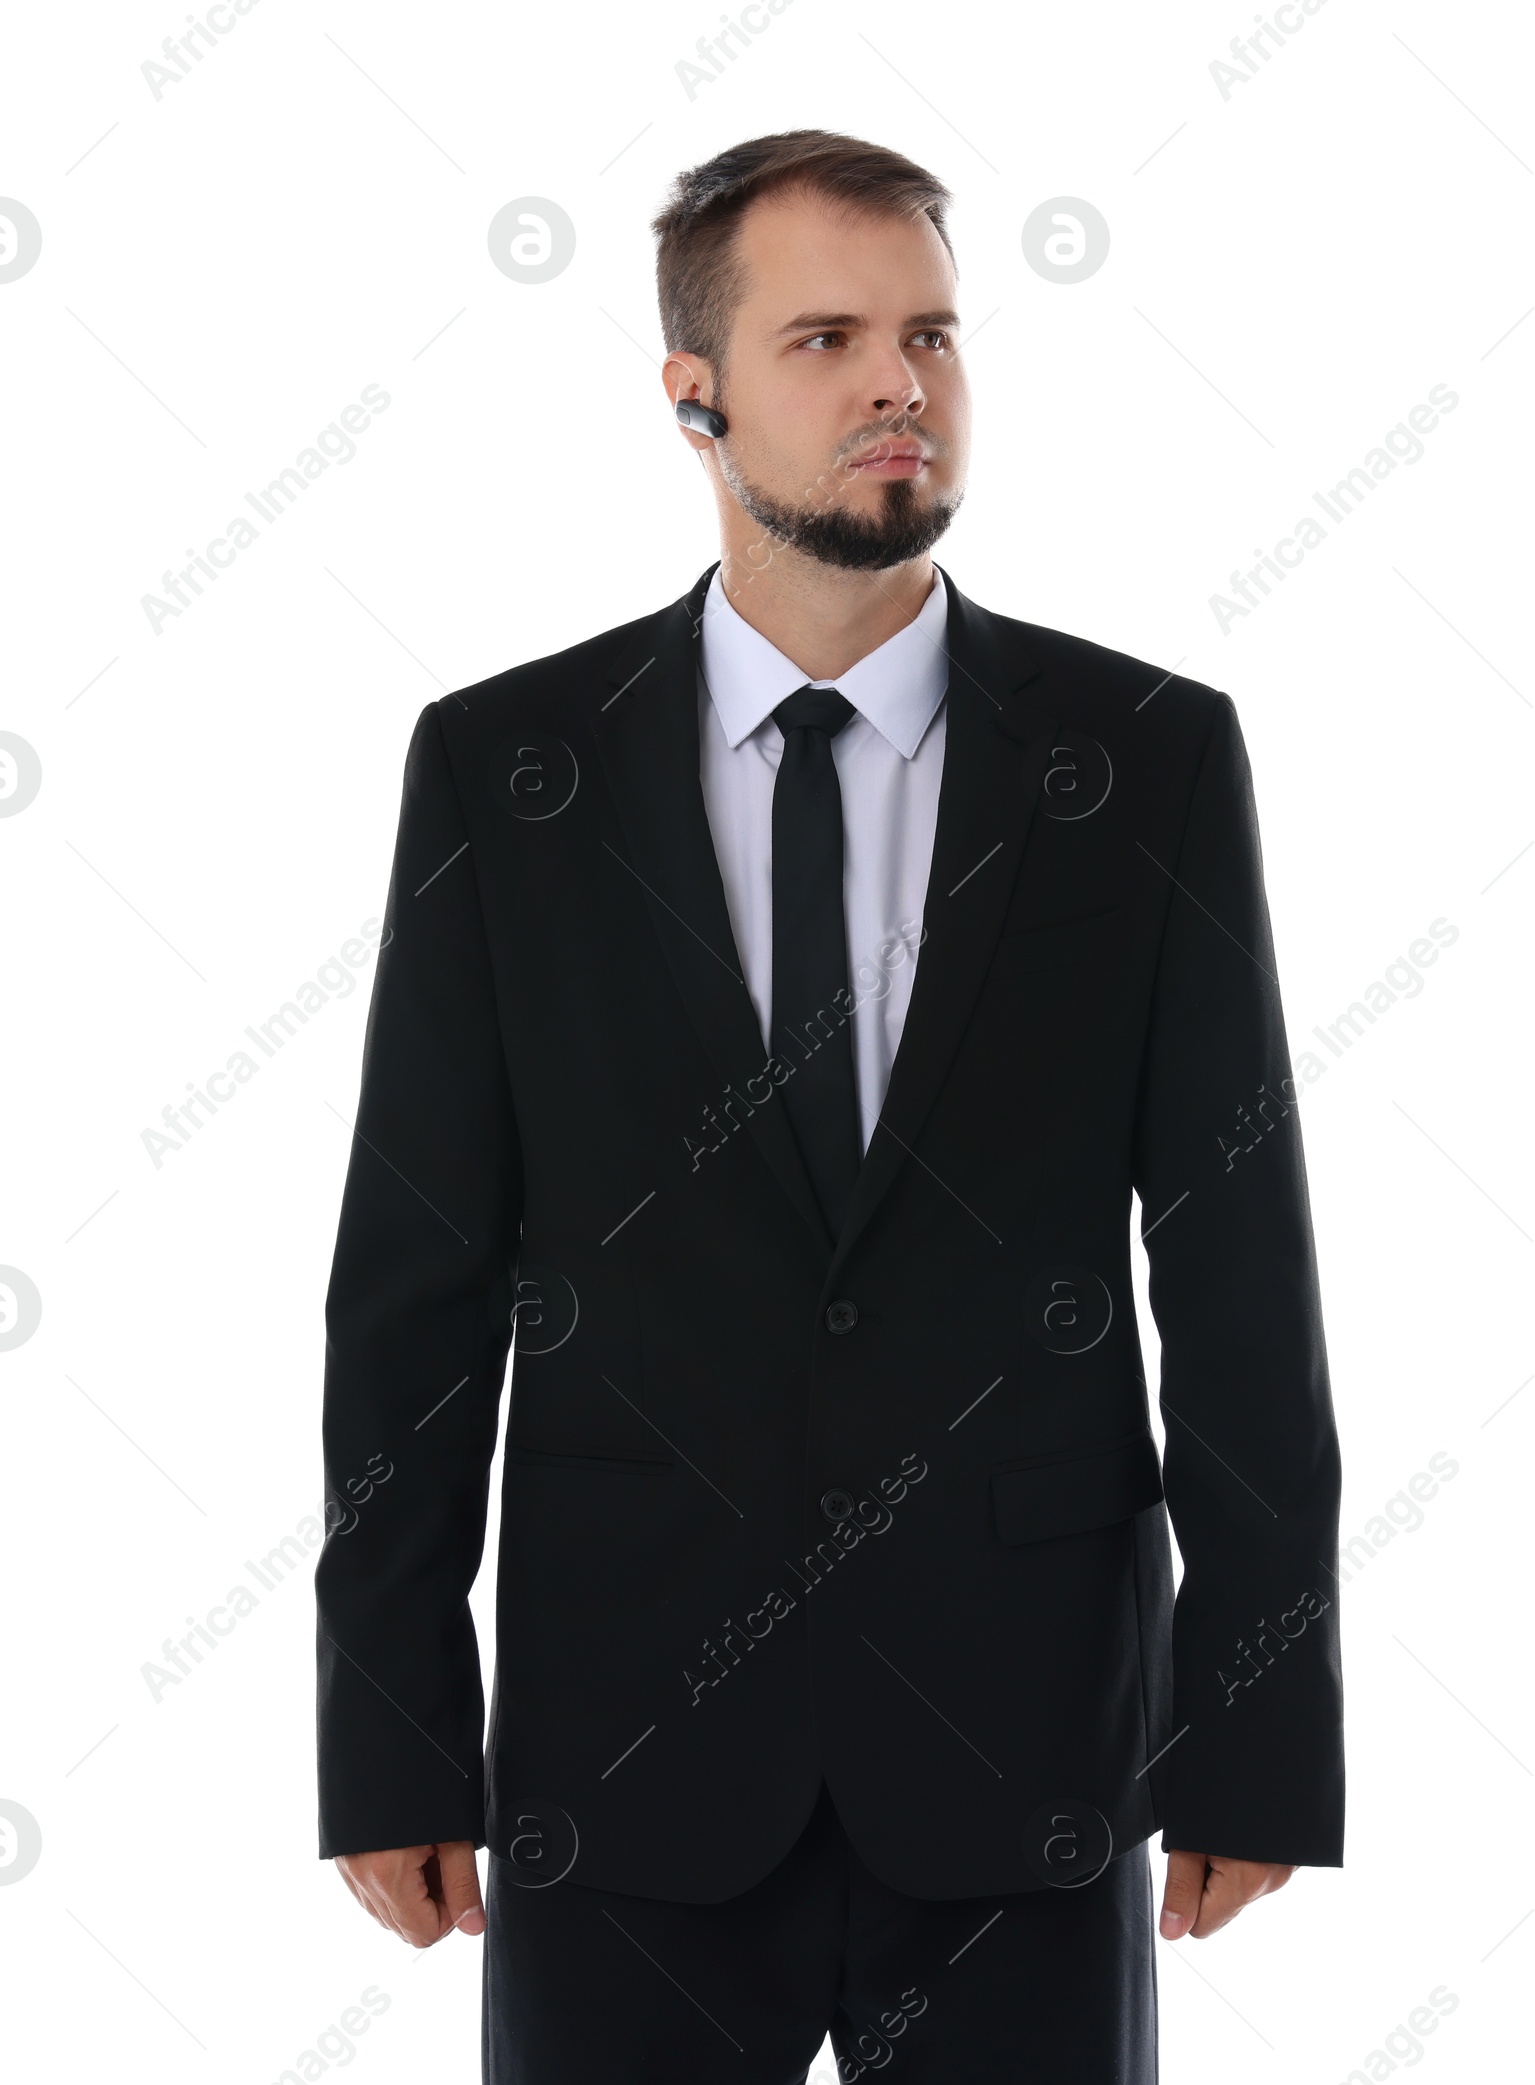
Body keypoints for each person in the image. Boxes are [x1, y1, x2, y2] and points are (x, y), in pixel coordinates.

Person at [315, 128, 1343, 2083]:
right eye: (827, 337)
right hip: (621, 1746)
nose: (900, 383)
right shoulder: (503, 772)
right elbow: (412, 1289)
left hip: (1026, 1736)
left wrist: (1255, 1710)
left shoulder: (1142, 764)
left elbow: (1236, 1272)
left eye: (933, 334)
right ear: (690, 397)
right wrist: (387, 1718)